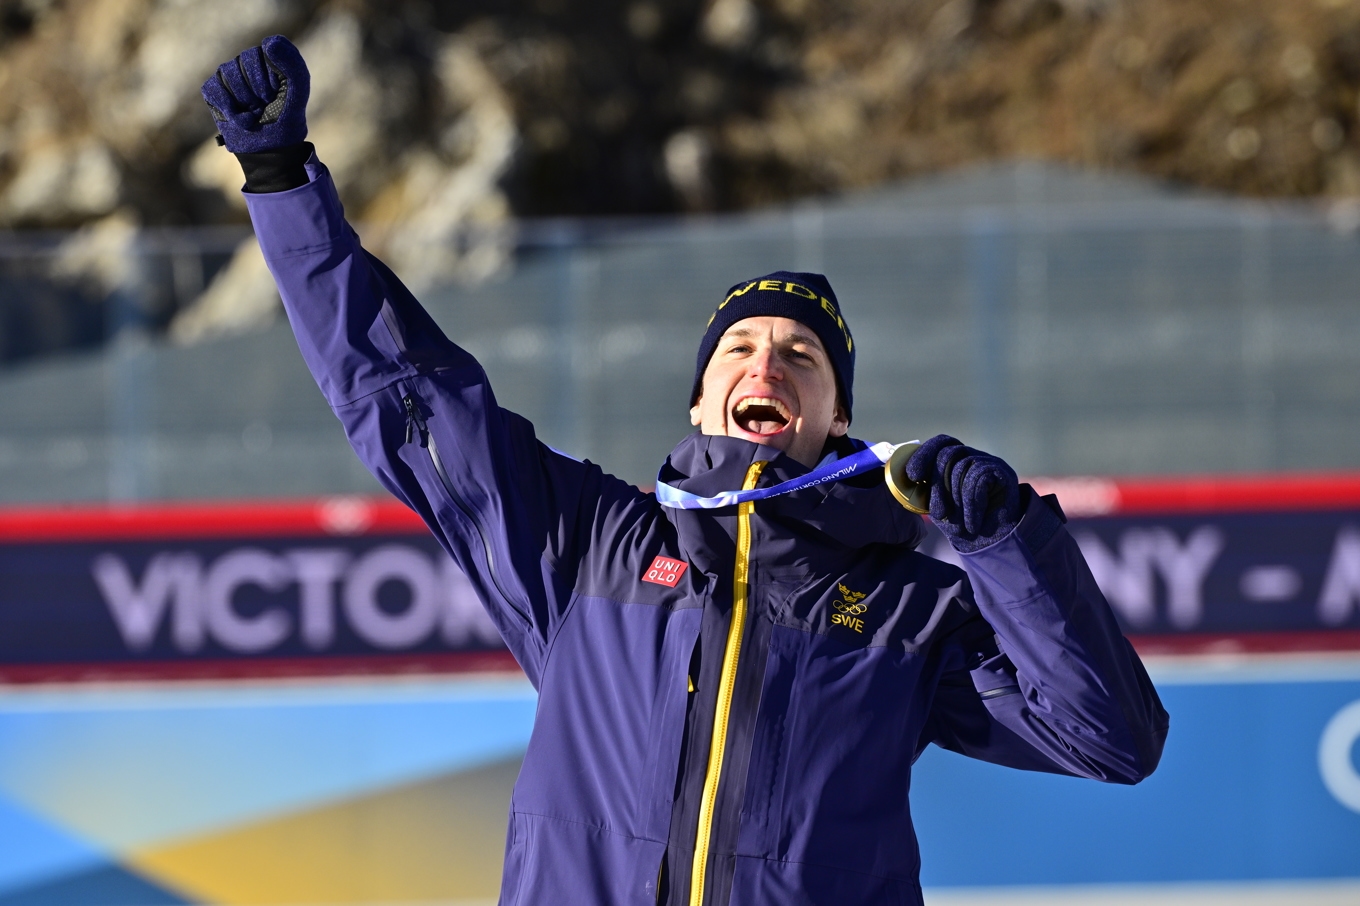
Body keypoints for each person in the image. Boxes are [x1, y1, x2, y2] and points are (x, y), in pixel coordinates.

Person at [203, 36, 1168, 906]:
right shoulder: (586, 544)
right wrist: (282, 182)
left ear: (839, 418)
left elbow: (1110, 740)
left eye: (801, 355)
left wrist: (1009, 543)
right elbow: (404, 391)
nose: (766, 364)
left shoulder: (908, 610)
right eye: (739, 348)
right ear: (701, 404)